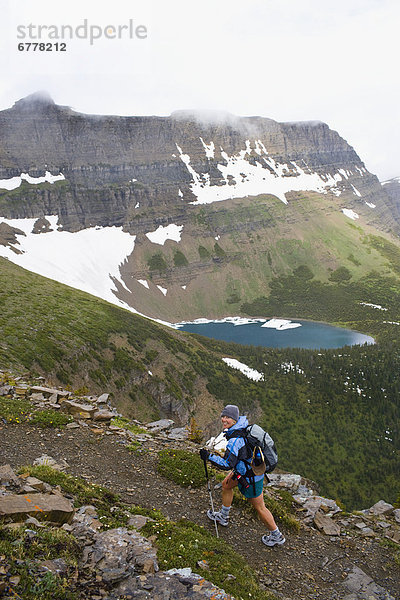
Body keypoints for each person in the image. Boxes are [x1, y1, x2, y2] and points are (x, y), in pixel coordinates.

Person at [200, 404, 285, 547]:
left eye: (228, 417)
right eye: (223, 416)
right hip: (243, 471)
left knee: (260, 507)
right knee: (226, 485)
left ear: (235, 419)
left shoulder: (235, 440)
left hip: (251, 477)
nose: (224, 419)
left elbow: (227, 464)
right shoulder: (242, 428)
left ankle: (277, 535)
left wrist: (208, 457)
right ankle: (223, 516)